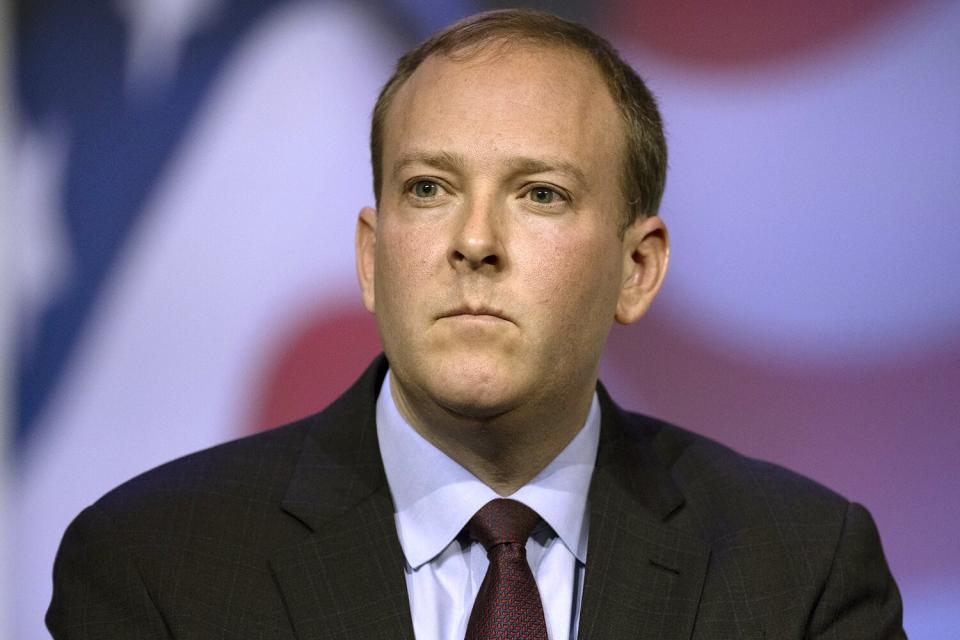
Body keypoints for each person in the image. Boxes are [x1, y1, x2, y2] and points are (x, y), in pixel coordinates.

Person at [47, 9, 905, 639]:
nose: (475, 243)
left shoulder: (799, 571)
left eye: (541, 194)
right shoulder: (154, 567)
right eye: (429, 188)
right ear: (373, 259)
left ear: (636, 270)